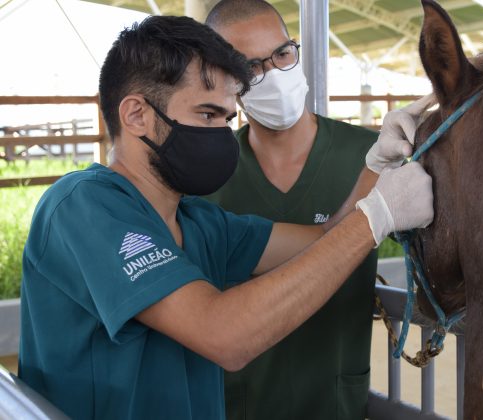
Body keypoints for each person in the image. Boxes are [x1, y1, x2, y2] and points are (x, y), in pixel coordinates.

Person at [17, 15, 432, 420]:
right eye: (206, 115)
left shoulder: (200, 223)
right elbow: (226, 336)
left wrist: (379, 163)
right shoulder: (82, 206)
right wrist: (375, 217)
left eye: (226, 118)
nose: (221, 134)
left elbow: (327, 237)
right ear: (136, 115)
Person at [204, 1, 376, 418]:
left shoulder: (370, 155)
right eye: (251, 67)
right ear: (224, 81)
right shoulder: (207, 175)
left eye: (282, 54)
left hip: (336, 401)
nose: (275, 74)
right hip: (240, 405)